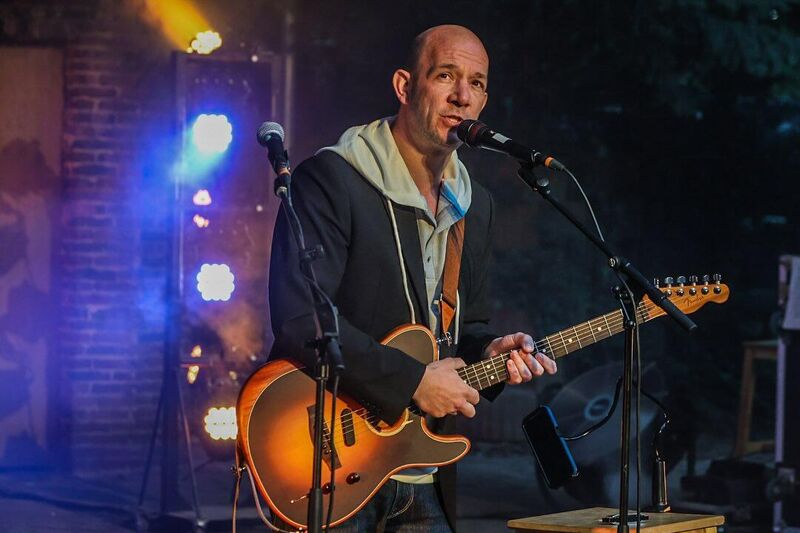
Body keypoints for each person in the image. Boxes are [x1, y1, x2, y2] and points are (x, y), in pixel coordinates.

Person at [268, 24, 557, 532]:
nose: (462, 96)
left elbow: (463, 329)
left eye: (477, 83)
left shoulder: (475, 206)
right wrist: (413, 381)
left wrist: (489, 353)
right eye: (446, 76)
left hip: (423, 470)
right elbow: (301, 318)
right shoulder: (333, 179)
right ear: (405, 86)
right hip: (330, 464)